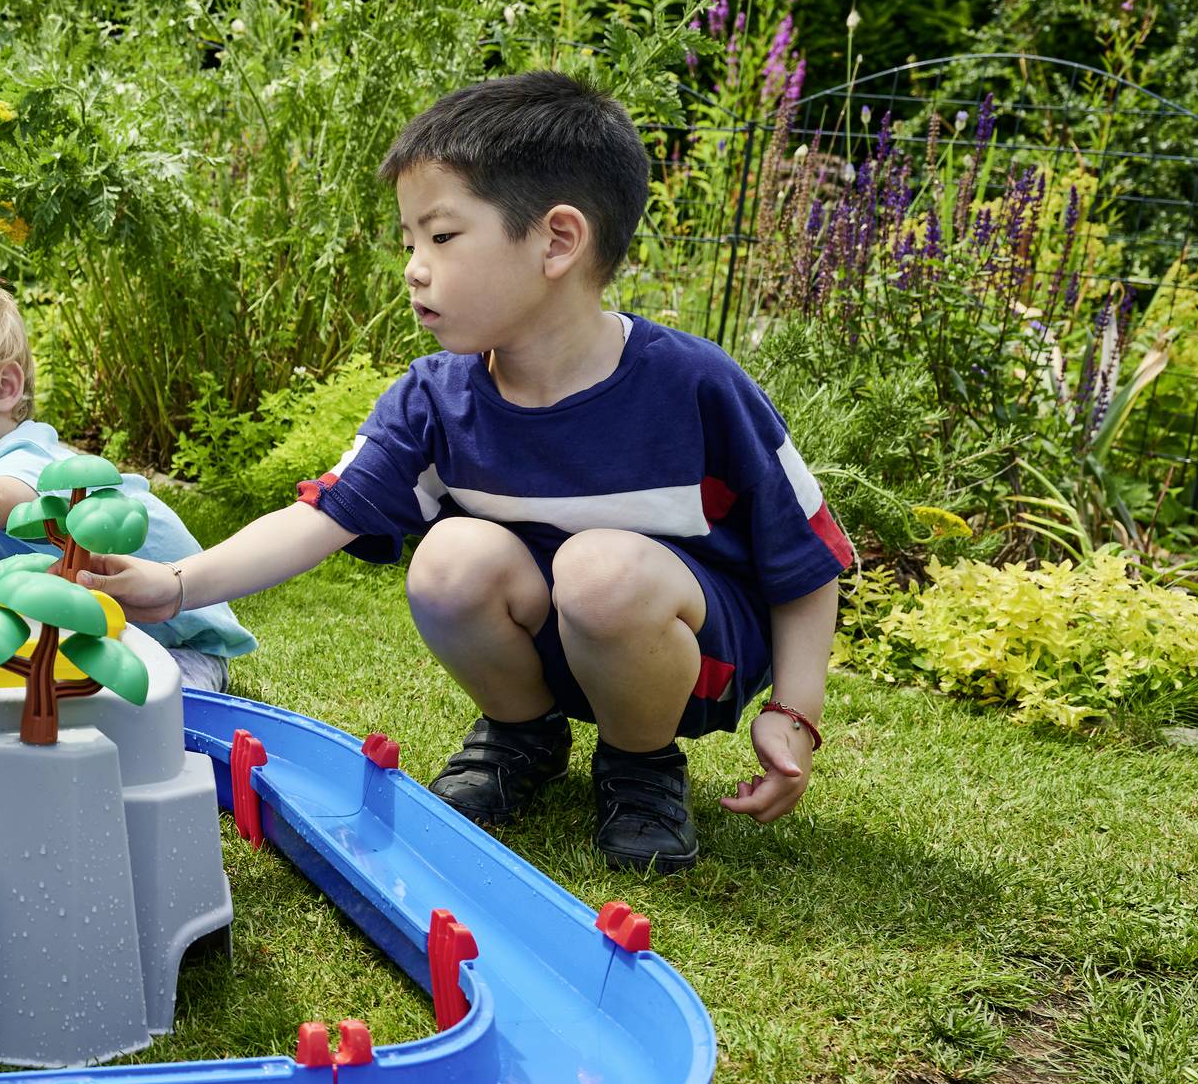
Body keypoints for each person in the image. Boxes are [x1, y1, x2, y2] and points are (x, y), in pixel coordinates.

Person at [82, 73, 849, 872]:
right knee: (448, 558)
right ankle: (521, 735)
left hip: (684, 657)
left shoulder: (695, 386)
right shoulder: (435, 398)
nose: (415, 267)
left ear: (557, 240)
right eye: (408, 242)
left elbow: (804, 560)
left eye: (441, 238)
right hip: (554, 640)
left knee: (601, 570)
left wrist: (796, 711)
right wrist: (174, 587)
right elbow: (323, 515)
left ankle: (640, 765)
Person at [0, 270, 253, 694]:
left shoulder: (25, 460)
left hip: (174, 646)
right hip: (86, 641)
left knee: (129, 722)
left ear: (5, 387)